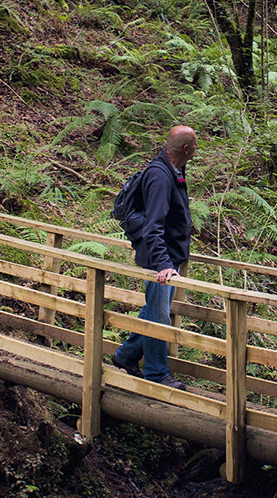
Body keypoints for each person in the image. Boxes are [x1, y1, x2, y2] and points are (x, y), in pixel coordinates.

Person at [110, 125, 197, 390]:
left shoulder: (174, 170)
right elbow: (153, 225)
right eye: (195, 145)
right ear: (185, 149)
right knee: (159, 318)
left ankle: (125, 356)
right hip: (161, 262)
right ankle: (157, 375)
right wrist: (164, 264)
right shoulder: (160, 176)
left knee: (152, 310)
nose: (197, 149)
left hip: (169, 258)